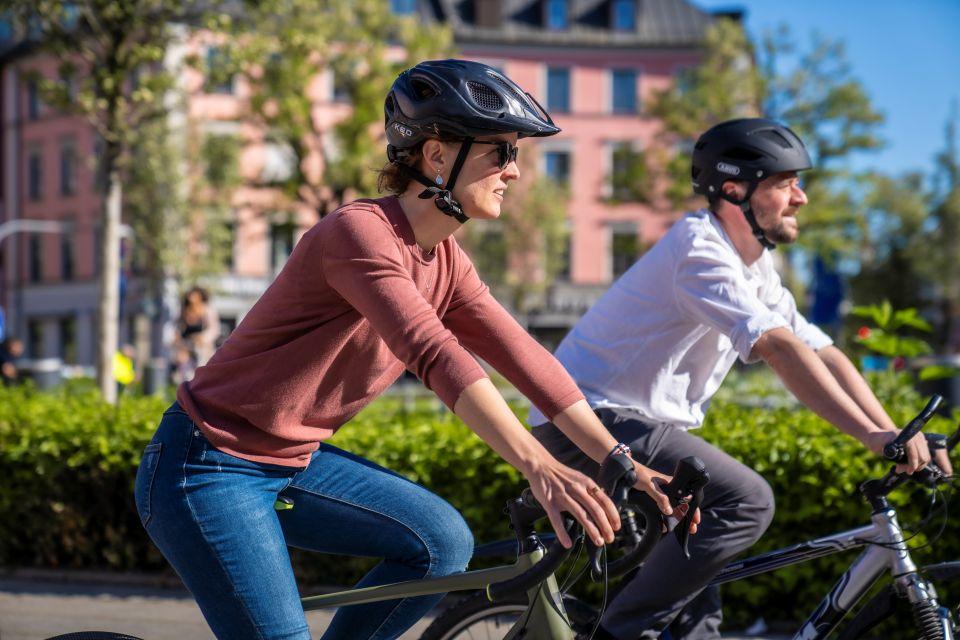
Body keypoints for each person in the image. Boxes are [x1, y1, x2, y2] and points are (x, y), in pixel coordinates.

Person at [134, 59, 686, 640]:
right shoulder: (359, 234)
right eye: (501, 152)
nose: (514, 172)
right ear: (437, 155)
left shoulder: (447, 262)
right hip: (207, 465)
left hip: (293, 464)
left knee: (441, 541)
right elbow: (434, 353)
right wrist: (539, 465)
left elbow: (529, 362)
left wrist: (618, 460)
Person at [528, 118, 954, 640]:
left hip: (631, 424)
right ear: (735, 189)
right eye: (784, 183)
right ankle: (619, 632)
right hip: (590, 420)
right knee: (747, 501)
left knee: (696, 611)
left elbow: (825, 352)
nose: (800, 198)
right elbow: (778, 348)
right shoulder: (698, 249)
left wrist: (895, 432)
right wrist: (870, 435)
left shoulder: (756, 269)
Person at [173, 286, 220, 370]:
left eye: (194, 295)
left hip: (202, 348)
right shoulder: (184, 310)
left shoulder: (207, 310)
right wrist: (177, 337)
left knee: (201, 370)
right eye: (190, 295)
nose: (192, 297)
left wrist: (203, 338)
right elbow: (178, 327)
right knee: (185, 372)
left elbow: (214, 329)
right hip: (185, 347)